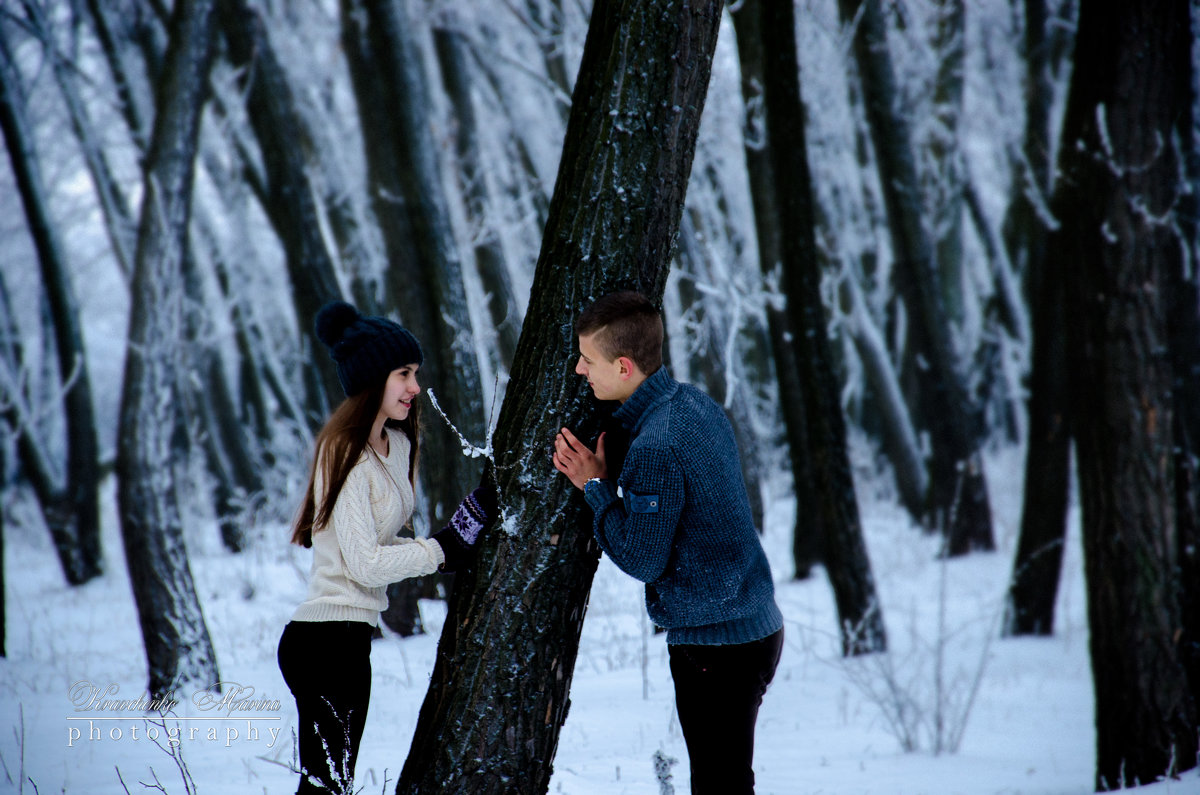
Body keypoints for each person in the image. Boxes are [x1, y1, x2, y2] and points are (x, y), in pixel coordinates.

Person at [552, 291, 784, 795]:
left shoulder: (656, 446)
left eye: (587, 359)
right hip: (754, 627)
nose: (577, 370)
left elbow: (642, 558)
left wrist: (595, 490)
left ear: (623, 365)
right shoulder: (692, 404)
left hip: (718, 649)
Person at [277, 301, 495, 795]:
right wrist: (441, 549)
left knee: (333, 783)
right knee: (326, 788)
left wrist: (446, 544)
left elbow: (380, 544)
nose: (415, 387)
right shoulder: (343, 452)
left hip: (350, 639)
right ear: (373, 377)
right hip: (322, 642)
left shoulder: (394, 445)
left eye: (415, 372)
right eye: (404, 374)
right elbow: (367, 564)